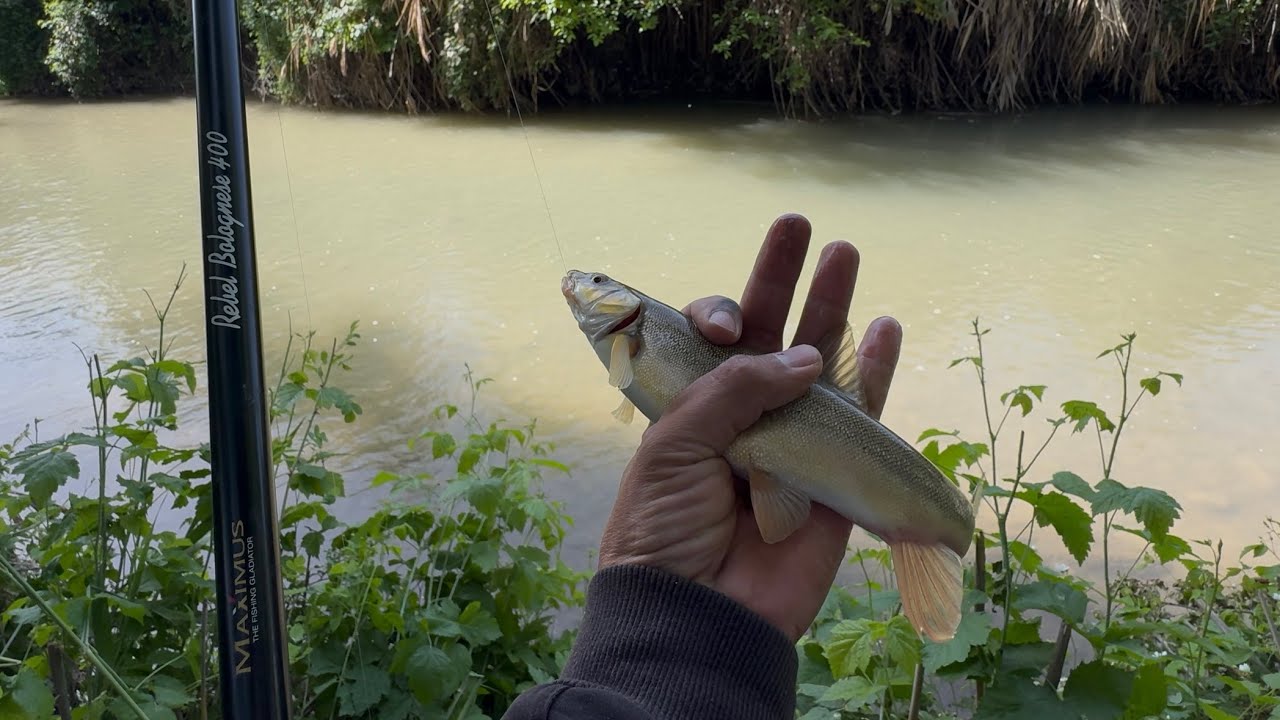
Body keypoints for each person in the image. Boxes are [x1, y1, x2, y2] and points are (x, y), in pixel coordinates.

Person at [502, 213, 904, 720]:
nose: (585, 286)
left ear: (627, 302)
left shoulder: (633, 331)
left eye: (600, 283)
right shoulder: (620, 341)